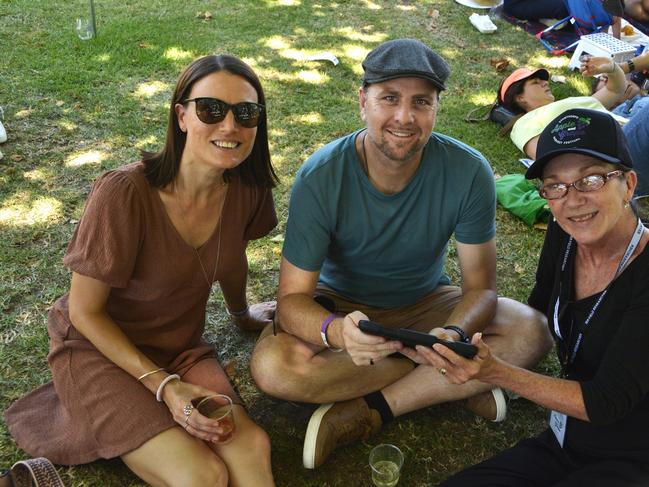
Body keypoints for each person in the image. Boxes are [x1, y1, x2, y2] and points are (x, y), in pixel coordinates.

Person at [250, 38, 551, 470]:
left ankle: (371, 407)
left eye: (421, 102)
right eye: (389, 98)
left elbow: (481, 289)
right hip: (345, 307)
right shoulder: (321, 175)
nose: (404, 117)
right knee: (274, 370)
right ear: (363, 102)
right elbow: (293, 302)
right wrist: (337, 333)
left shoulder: (468, 170)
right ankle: (453, 383)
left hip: (428, 306)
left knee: (532, 331)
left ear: (435, 109)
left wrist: (452, 335)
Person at [5, 54, 278, 487]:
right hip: (98, 350)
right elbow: (85, 312)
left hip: (180, 347)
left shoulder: (249, 188)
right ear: (182, 116)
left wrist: (241, 314)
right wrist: (166, 388)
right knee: (202, 475)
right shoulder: (124, 194)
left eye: (246, 113)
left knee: (251, 448)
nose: (230, 127)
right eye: (211, 109)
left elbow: (232, 256)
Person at [409, 108, 649, 486]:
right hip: (565, 437)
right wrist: (463, 344)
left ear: (629, 184)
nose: (572, 200)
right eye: (555, 185)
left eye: (591, 179)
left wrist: (496, 373)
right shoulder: (564, 235)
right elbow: (539, 304)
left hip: (635, 455)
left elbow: (605, 403)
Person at [497, 56, 649, 197]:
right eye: (535, 83)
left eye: (543, 81)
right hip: (616, 155)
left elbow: (615, 89)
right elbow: (544, 154)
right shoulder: (525, 122)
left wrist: (612, 68)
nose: (545, 83)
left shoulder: (574, 102)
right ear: (520, 97)